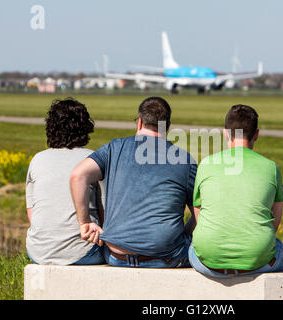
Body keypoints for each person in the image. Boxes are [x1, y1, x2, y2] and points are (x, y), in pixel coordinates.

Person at [70, 96, 197, 268]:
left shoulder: (114, 148)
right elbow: (199, 213)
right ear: (166, 127)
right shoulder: (184, 159)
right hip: (166, 257)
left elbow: (78, 176)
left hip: (116, 256)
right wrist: (182, 234)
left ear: (139, 122)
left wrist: (84, 223)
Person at [188, 104, 283, 278]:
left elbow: (198, 215)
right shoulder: (271, 167)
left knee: (191, 246)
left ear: (226, 133)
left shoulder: (206, 164)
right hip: (256, 260)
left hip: (209, 261)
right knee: (280, 248)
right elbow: (275, 223)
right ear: (256, 134)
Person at [26, 98, 105, 265]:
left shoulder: (37, 159)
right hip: (84, 250)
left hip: (38, 251)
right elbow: (105, 212)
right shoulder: (94, 159)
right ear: (85, 128)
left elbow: (32, 213)